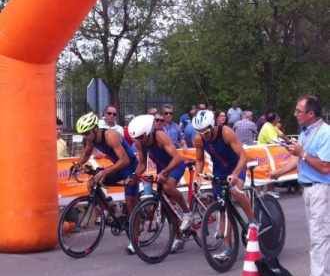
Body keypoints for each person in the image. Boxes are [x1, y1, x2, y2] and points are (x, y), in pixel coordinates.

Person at [269, 96, 330, 276]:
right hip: (310, 189)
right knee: (320, 234)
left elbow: (325, 167)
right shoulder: (305, 133)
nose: (295, 115)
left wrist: (302, 153)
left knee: (319, 235)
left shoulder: (325, 134)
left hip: (320, 188)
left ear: (311, 114)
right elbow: (298, 160)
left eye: (298, 111)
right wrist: (278, 173)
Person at [193, 110, 258, 262]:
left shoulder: (226, 132)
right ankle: (228, 249)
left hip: (237, 166)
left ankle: (253, 222)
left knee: (234, 191)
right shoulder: (199, 139)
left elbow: (243, 156)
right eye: (200, 133)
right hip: (220, 171)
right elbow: (200, 161)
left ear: (213, 125)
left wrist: (235, 173)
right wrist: (197, 176)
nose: (204, 136)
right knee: (222, 209)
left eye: (206, 132)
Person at [74, 112, 139, 253]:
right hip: (118, 166)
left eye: (86, 133)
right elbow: (86, 154)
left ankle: (136, 241)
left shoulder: (111, 136)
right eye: (83, 134)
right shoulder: (91, 139)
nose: (85, 136)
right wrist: (77, 166)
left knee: (131, 203)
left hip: (130, 167)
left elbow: (125, 160)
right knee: (92, 183)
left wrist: (105, 171)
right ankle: (109, 207)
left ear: (95, 129)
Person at [129, 114, 193, 253]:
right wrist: (134, 175)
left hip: (175, 166)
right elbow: (142, 164)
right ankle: (178, 239)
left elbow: (177, 157)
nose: (139, 141)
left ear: (148, 132)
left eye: (141, 137)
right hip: (161, 170)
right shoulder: (140, 142)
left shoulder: (160, 136)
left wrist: (164, 172)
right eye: (136, 138)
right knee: (167, 206)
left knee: (167, 186)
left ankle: (187, 212)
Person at [257, 108, 291, 198]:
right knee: (263, 172)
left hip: (268, 154)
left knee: (271, 170)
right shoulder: (268, 127)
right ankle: (260, 192)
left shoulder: (272, 126)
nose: (278, 119)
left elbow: (281, 135)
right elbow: (275, 142)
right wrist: (285, 145)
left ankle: (270, 190)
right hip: (262, 154)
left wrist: (289, 141)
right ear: (274, 119)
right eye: (277, 118)